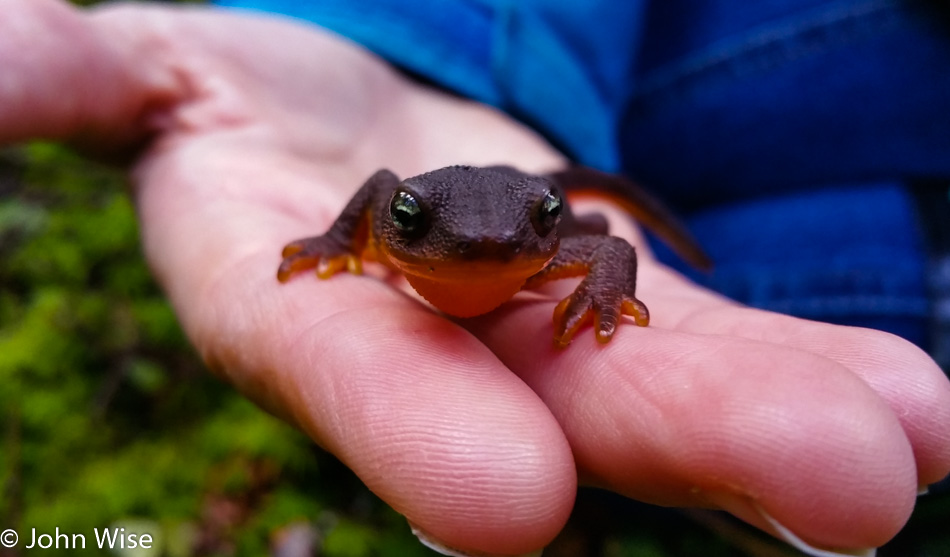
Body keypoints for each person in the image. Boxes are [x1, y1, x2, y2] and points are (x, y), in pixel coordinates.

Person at [1, 0, 948, 555]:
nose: (487, 253)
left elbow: (604, 231)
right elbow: (381, 186)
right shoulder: (385, 201)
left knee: (574, 221)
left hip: (558, 173)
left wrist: (601, 288)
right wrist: (347, 234)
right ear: (392, 221)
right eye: (409, 228)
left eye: (532, 237)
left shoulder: (555, 235)